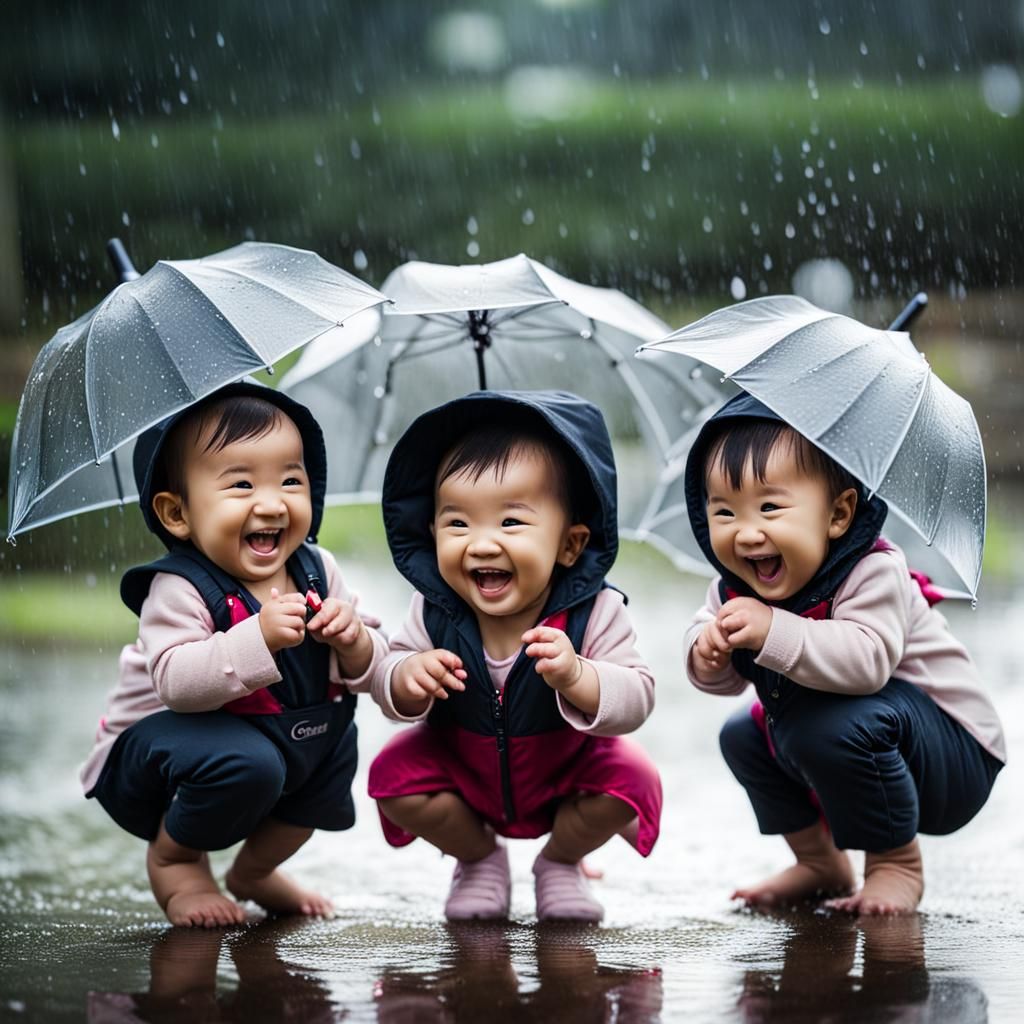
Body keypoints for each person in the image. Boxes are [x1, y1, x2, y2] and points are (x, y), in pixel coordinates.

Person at [80, 381, 389, 928]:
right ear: (177, 513)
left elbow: (367, 670)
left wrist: (355, 639)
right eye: (241, 484)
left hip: (263, 736)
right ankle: (176, 861)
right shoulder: (180, 588)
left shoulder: (319, 569)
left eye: (291, 480)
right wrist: (259, 637)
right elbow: (176, 681)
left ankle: (254, 871)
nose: (271, 503)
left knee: (335, 739)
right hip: (153, 753)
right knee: (249, 763)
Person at [683, 391, 1005, 915]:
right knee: (742, 734)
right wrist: (707, 654)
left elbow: (867, 662)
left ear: (838, 514)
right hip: (863, 738)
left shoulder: (873, 571)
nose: (746, 532)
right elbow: (726, 676)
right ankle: (819, 861)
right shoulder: (736, 590)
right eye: (723, 511)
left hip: (952, 752)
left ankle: (896, 863)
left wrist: (773, 630)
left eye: (770, 507)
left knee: (830, 723)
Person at [367, 391, 662, 922]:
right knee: (391, 775)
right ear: (431, 531)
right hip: (464, 768)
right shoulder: (434, 612)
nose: (480, 545)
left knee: (634, 780)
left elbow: (637, 698)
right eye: (458, 524)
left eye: (510, 523)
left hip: (564, 772)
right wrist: (406, 677)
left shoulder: (592, 612)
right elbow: (387, 678)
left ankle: (560, 862)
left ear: (570, 545)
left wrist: (579, 675)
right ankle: (479, 860)